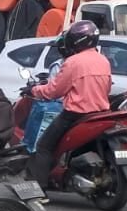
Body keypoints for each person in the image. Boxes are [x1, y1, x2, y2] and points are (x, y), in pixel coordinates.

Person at [24, 21, 112, 187]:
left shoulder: (72, 62)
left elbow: (53, 91)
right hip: (100, 113)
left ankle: (38, 189)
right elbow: (107, 87)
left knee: (43, 147)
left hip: (74, 115)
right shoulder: (104, 61)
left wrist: (34, 90)